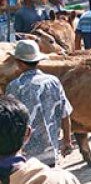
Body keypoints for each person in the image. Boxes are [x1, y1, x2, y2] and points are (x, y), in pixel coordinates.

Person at [4, 40, 73, 168]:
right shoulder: (54, 82)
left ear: (19, 62)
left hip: (26, 157)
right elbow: (65, 114)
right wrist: (67, 141)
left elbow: (9, 121)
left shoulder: (15, 87)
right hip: (51, 151)